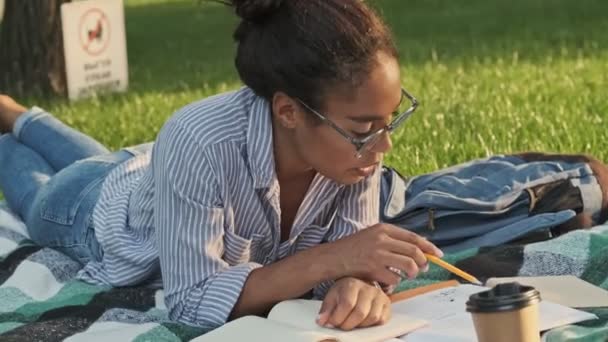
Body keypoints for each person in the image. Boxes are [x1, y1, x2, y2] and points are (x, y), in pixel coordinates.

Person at [0, 0, 444, 332]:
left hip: (150, 170)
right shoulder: (198, 137)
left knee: (97, 158)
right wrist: (333, 260)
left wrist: (355, 285)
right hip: (87, 211)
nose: (383, 145)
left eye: (390, 122)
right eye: (365, 128)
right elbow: (191, 302)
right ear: (288, 111)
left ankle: (17, 112)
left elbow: (346, 264)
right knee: (40, 182)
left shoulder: (352, 155)